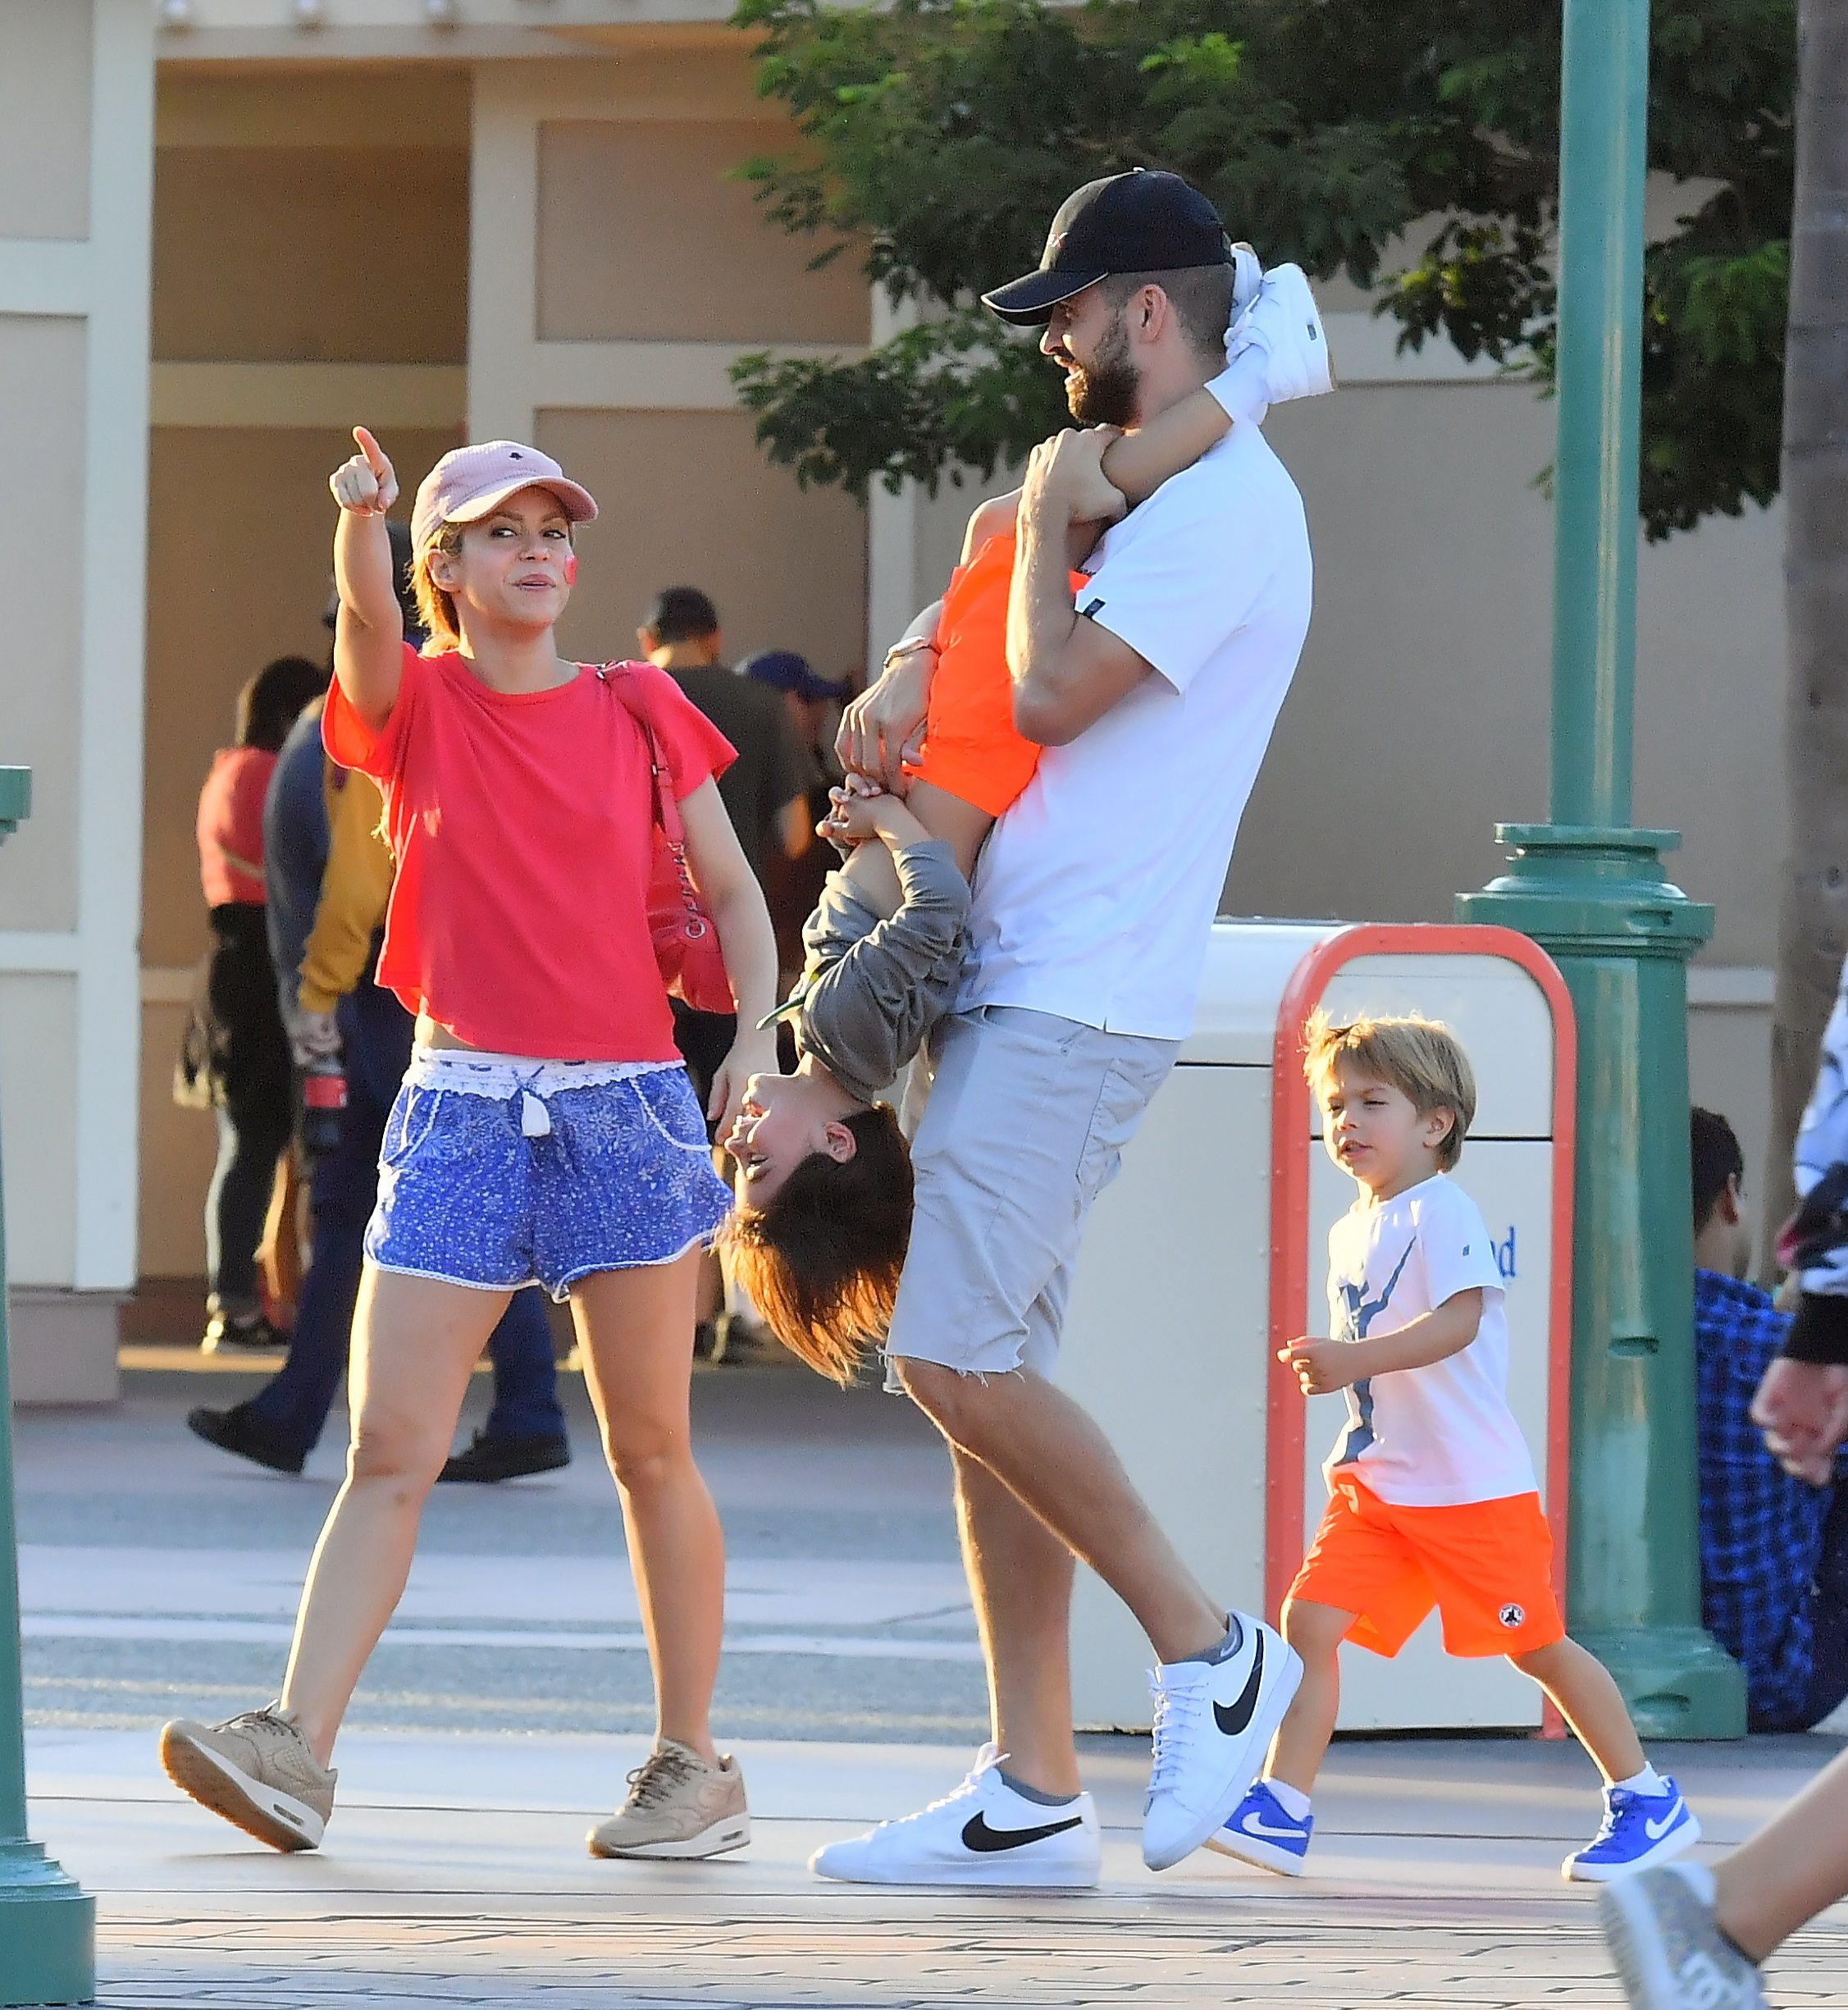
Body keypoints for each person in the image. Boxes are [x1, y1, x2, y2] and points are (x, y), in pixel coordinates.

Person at [805, 169, 1323, 1888]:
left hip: (1080, 990)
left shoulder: (1224, 510)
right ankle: (1030, 1791)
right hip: (1015, 973)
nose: (1050, 355)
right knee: (981, 1375)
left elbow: (1042, 691)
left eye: (1066, 321)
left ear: (1145, 315)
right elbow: (974, 602)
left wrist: (1038, 518)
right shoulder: (1150, 490)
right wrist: (903, 653)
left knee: (949, 1353)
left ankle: (1213, 1649)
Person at [158, 430, 778, 1862]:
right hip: (458, 1104)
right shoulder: (411, 704)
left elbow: (736, 895)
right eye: (501, 531)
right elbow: (367, 631)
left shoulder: (639, 704)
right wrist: (362, 524)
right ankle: (295, 1747)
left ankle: (694, 1765)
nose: (539, 549)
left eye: (555, 527)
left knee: (649, 1452)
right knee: (390, 1445)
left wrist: (751, 1040)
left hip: (625, 1101)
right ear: (445, 565)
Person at [723, 264, 1330, 1378]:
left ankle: (1256, 377)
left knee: (1019, 513)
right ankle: (1258, 378)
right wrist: (889, 821)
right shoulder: (850, 1041)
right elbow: (937, 913)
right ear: (834, 1142)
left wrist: (905, 675)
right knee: (1045, 502)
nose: (738, 1146)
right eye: (759, 1168)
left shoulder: (836, 1038)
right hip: (960, 756)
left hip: (953, 751)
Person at [1213, 1011, 1700, 1882]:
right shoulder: (1353, 1225)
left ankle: (1647, 1796)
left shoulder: (1443, 1210)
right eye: (1335, 1105)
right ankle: (1282, 1805)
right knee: (1310, 1621)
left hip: (1469, 1492)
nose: (1347, 1122)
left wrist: (1353, 1358)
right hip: (1379, 1485)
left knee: (1536, 1645)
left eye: (1372, 1101)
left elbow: (1462, 1319)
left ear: (1436, 1122)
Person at [186, 669, 572, 1482]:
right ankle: (298, 1414)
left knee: (433, 1202)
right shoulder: (446, 714)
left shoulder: (364, 726)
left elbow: (361, 880)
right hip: (437, 989)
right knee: (366, 1202)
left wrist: (316, 993)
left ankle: (525, 1407)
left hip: (389, 995)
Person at [1600, 967, 1848, 2007]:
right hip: (1789, 1670)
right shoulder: (1751, 1328)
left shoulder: (1577, 1340)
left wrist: (1830, 1315)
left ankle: (1727, 1914)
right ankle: (1727, 1912)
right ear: (1728, 1198)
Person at [180, 654, 327, 1351]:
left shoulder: (226, 771)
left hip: (233, 973)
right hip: (263, 976)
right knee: (261, 1148)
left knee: (250, 1147)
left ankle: (238, 1300)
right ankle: (239, 1303)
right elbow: (304, 867)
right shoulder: (268, 774)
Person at [1691, 1106, 1848, 1731]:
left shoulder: (1554, 1341)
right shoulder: (1775, 1352)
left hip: (1576, 1678)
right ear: (1729, 1196)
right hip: (1778, 1683)